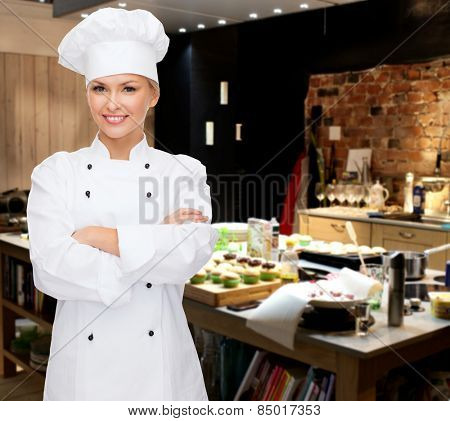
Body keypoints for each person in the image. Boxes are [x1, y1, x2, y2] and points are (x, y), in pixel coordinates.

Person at [26, 7, 218, 401]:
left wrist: (96, 236)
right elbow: (49, 271)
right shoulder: (57, 173)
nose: (112, 104)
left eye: (128, 88)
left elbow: (189, 255)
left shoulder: (182, 172)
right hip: (83, 372)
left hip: (161, 372)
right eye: (100, 88)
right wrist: (154, 240)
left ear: (154, 93)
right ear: (87, 93)